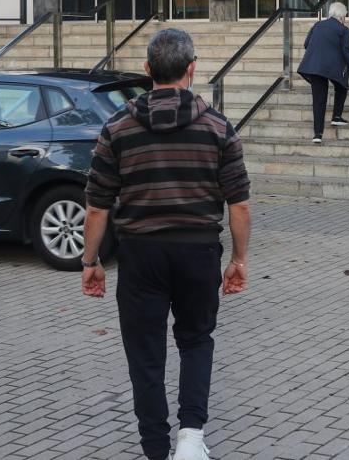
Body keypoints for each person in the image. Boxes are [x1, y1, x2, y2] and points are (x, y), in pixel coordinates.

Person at [81, 28, 252, 460]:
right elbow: (239, 204)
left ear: (146, 71)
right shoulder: (217, 126)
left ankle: (156, 450)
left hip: (140, 255)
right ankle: (191, 439)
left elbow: (98, 205)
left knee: (145, 356)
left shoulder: (117, 127)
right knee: (196, 341)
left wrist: (91, 261)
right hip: (198, 252)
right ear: (192, 69)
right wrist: (239, 259)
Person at [297, 1, 349, 144]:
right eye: (345, 16)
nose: (345, 19)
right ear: (341, 17)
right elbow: (347, 52)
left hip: (314, 66)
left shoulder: (317, 25)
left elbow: (306, 44)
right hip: (331, 67)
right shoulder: (343, 30)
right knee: (342, 84)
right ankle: (336, 116)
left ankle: (317, 134)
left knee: (318, 100)